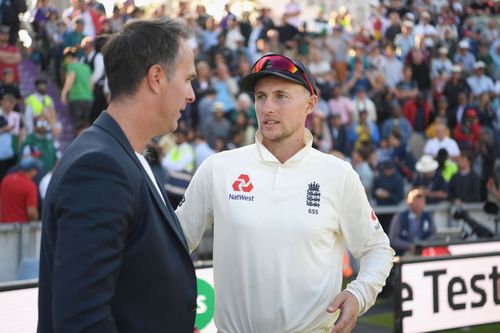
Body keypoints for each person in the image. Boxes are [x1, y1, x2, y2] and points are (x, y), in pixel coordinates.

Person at [177, 54, 394, 333]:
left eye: (281, 96)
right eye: (261, 96)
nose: (267, 107)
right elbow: (173, 241)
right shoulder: (218, 168)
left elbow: (377, 249)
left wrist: (358, 295)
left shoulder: (338, 175)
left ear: (311, 104)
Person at [38, 18, 198, 333]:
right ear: (156, 77)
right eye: (188, 79)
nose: (192, 94)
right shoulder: (100, 167)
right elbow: (83, 321)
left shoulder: (120, 156)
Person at [389, 188, 437, 256]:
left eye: (421, 201)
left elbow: (433, 235)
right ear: (409, 203)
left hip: (424, 252)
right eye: (416, 201)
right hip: (404, 254)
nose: (418, 204)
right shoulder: (399, 217)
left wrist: (423, 244)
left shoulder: (428, 217)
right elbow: (393, 239)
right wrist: (409, 246)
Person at [0, 157, 41, 223]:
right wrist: (38, 218)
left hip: (4, 227)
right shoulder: (30, 186)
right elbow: (31, 213)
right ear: (32, 171)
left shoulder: (6, 180)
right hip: (21, 229)